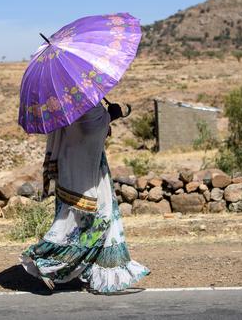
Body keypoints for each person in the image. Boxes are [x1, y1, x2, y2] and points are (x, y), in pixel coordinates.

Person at [20, 101, 150, 294]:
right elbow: (90, 129)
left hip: (70, 170)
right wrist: (110, 115)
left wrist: (105, 119)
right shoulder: (83, 101)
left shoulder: (60, 103)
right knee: (98, 221)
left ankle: (89, 273)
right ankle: (45, 260)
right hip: (87, 177)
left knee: (76, 223)